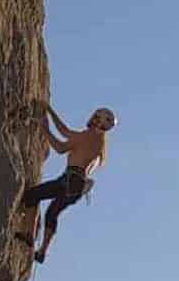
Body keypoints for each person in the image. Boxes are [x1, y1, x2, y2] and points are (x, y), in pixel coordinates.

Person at [17, 103, 116, 263]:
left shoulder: (90, 136)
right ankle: (42, 251)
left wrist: (45, 128)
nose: (92, 118)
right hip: (76, 185)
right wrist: (49, 112)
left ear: (99, 122)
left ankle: (29, 233)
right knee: (52, 212)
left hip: (69, 180)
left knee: (32, 195)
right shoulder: (99, 142)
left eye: (96, 117)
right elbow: (65, 132)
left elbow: (61, 146)